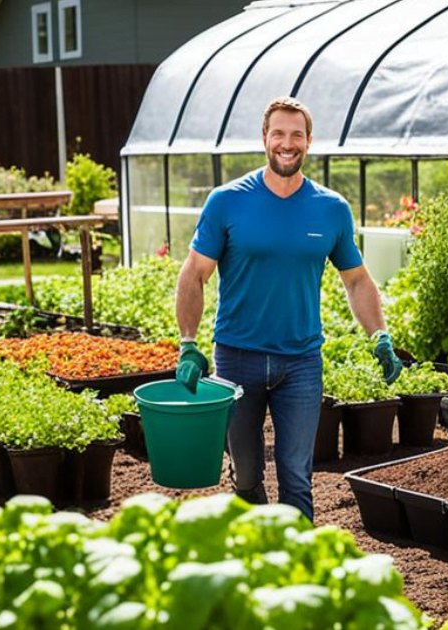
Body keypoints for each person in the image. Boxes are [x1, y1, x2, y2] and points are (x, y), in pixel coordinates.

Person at [174, 96, 402, 521]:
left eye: (297, 134)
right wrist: (188, 344)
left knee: (297, 475)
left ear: (309, 141)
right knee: (245, 474)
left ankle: (296, 567)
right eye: (278, 133)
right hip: (237, 358)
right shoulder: (227, 201)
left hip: (300, 362)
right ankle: (255, 550)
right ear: (265, 138)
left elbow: (356, 280)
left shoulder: (331, 208)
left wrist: (381, 336)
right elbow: (194, 275)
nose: (287, 143)